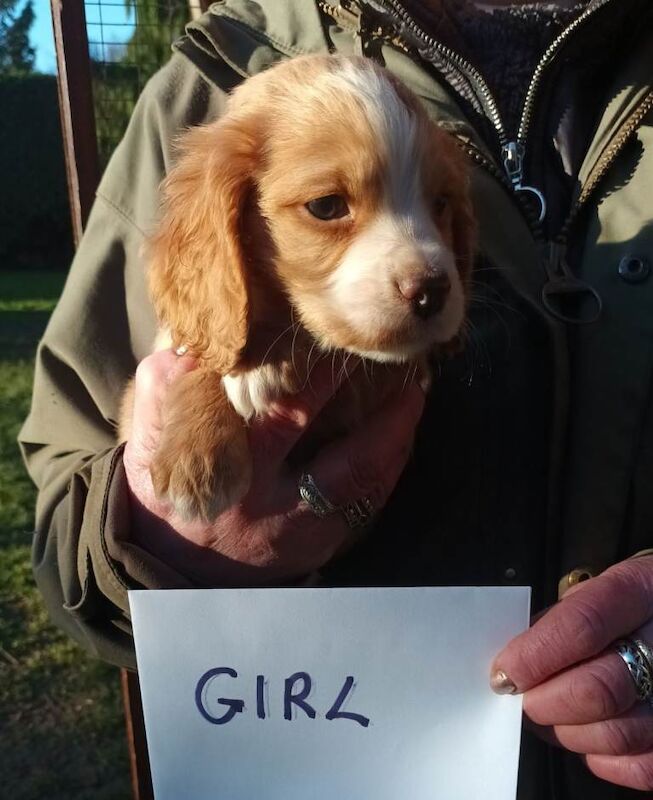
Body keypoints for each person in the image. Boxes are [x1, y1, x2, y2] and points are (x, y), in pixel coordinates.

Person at [19, 0, 653, 797]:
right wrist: (155, 545)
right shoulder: (210, 78)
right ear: (227, 218)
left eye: (440, 209)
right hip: (322, 743)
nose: (423, 264)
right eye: (328, 207)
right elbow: (69, 518)